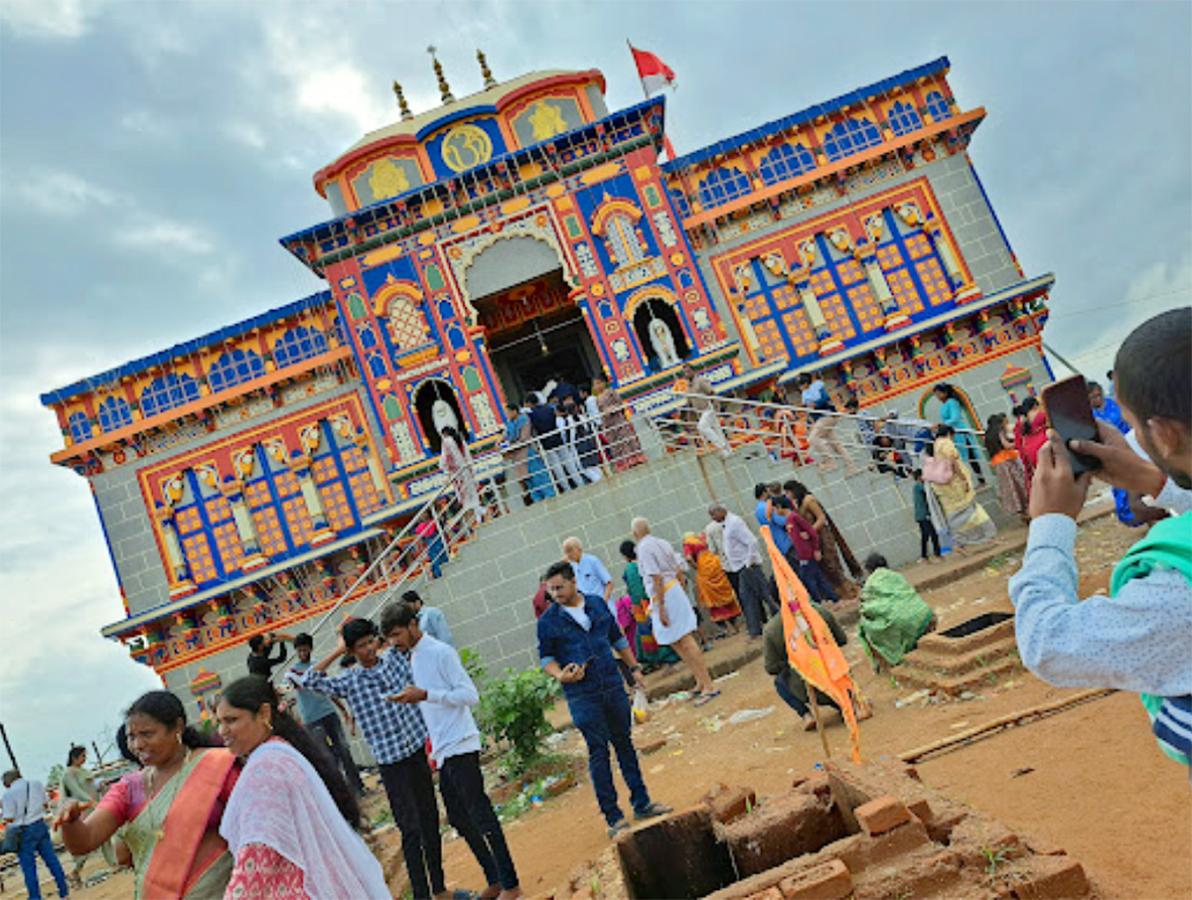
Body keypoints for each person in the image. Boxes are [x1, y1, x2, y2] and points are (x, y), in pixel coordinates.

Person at [1009, 308, 1192, 767]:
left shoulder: (1177, 593)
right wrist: (1155, 478)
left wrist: (1050, 524)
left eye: (1135, 428)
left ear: (1165, 434)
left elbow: (1047, 643)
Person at [300, 618, 448, 900]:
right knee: (410, 828)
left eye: (371, 642)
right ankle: (421, 894)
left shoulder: (394, 658)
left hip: (416, 750)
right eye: (361, 646)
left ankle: (439, 888)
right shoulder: (350, 680)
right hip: (391, 762)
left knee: (429, 818)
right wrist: (337, 651)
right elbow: (308, 680)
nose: (369, 649)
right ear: (352, 651)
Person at [383, 605, 523, 900]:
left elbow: (469, 695)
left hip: (460, 744)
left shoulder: (440, 652)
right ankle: (496, 879)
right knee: (459, 817)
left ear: (411, 625)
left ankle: (511, 884)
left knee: (481, 814)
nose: (394, 641)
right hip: (445, 749)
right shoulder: (415, 656)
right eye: (390, 637)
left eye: (397, 634)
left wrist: (425, 695)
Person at [215, 677, 389, 898]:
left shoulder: (266, 769)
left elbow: (257, 856)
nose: (222, 730)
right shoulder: (281, 752)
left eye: (231, 720)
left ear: (264, 714)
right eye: (219, 721)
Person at [56, 691, 238, 898]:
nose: (137, 745)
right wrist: (70, 822)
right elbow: (85, 841)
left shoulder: (218, 766)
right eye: (131, 737)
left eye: (147, 734)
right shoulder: (128, 788)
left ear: (177, 727)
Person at [537, 561, 672, 837]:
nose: (555, 594)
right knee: (598, 751)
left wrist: (634, 669)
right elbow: (546, 658)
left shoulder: (597, 604)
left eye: (559, 587)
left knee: (624, 744)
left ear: (573, 581)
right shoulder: (548, 621)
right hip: (582, 695)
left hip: (611, 684)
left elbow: (617, 638)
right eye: (550, 590)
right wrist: (561, 675)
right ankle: (613, 817)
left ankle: (642, 802)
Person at [631, 517, 719, 703]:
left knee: (685, 639)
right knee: (675, 641)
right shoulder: (661, 543)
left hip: (665, 595)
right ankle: (699, 682)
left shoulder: (645, 548)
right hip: (670, 592)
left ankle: (708, 685)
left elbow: (656, 578)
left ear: (635, 534)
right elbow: (678, 569)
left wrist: (661, 607)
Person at [285, 633, 364, 797]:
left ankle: (358, 787)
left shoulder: (318, 666)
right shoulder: (291, 672)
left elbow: (329, 689)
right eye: (299, 651)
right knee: (326, 757)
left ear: (311, 649)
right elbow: (298, 685)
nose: (302, 654)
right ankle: (341, 793)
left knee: (343, 749)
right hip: (310, 719)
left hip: (328, 713)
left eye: (305, 650)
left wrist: (343, 710)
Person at [762, 604, 847, 732]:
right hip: (837, 679)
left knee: (780, 682)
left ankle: (806, 715)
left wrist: (793, 660)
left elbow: (771, 667)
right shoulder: (820, 611)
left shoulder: (771, 629)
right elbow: (842, 640)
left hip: (805, 687)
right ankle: (851, 703)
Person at [857, 553, 937, 671]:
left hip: (901, 624)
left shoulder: (870, 584)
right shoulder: (896, 576)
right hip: (926, 616)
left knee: (863, 627)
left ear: (869, 570)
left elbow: (866, 610)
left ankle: (890, 661)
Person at [785, 481, 862, 599]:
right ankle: (841, 595)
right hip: (813, 539)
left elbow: (821, 518)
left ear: (794, 490)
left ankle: (851, 593)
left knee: (832, 565)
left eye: (788, 492)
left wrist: (810, 531)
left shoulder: (808, 500)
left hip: (823, 535)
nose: (787, 495)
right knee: (824, 567)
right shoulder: (798, 504)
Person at [928, 425, 997, 549]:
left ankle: (960, 543)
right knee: (973, 510)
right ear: (950, 434)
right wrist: (963, 479)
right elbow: (952, 460)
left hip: (948, 488)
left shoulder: (936, 444)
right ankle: (988, 536)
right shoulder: (946, 443)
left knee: (958, 515)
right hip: (956, 485)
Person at [4, 769, 70, 899]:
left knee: (29, 868)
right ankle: (64, 891)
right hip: (40, 825)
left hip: (23, 832)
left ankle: (35, 897)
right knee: (52, 860)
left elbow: (9, 818)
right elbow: (45, 804)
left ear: (8, 783)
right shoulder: (36, 784)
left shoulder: (8, 795)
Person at [709, 504, 773, 638]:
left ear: (720, 511)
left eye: (713, 514)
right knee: (747, 598)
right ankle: (755, 631)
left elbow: (752, 542)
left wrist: (749, 562)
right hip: (740, 568)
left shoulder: (735, 523)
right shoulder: (726, 524)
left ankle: (782, 616)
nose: (712, 518)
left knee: (765, 594)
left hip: (747, 566)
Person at [60, 746, 116, 887]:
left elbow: (91, 786)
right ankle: (75, 870)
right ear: (74, 757)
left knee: (104, 834)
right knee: (86, 841)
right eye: (82, 756)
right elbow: (76, 791)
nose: (84, 759)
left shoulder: (83, 771)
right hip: (83, 809)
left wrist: (100, 787)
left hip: (94, 806)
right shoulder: (68, 774)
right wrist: (90, 802)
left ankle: (113, 863)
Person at [619, 541, 679, 669]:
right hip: (651, 601)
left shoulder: (630, 568)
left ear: (625, 556)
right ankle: (664, 659)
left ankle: (665, 660)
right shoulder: (642, 564)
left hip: (642, 606)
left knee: (650, 633)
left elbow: (634, 590)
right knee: (656, 630)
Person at [682, 533, 742, 633]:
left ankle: (726, 629)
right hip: (717, 566)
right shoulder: (703, 537)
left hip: (705, 570)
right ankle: (735, 625)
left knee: (712, 599)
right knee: (725, 594)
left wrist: (696, 567)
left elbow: (688, 558)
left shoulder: (687, 543)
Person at [783, 505, 839, 603]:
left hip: (807, 554)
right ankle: (832, 597)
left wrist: (816, 549)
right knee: (817, 576)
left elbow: (811, 531)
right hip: (802, 555)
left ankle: (819, 600)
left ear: (779, 507)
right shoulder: (788, 520)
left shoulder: (795, 518)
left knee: (808, 579)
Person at [932, 383, 984, 481]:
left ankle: (981, 479)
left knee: (970, 455)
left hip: (960, 431)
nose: (937, 397)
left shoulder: (952, 402)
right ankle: (967, 480)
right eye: (936, 395)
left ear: (945, 392)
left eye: (939, 393)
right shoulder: (944, 405)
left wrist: (941, 424)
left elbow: (955, 418)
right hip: (953, 433)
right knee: (958, 456)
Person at [594, 378, 646, 471]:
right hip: (608, 423)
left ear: (603, 383)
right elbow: (600, 411)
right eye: (595, 385)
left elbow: (619, 403)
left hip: (617, 418)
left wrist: (612, 408)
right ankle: (623, 463)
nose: (597, 386)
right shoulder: (597, 398)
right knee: (615, 442)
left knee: (625, 437)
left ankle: (634, 458)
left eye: (598, 383)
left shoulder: (611, 392)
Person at [984, 413, 1029, 519]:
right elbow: (1006, 445)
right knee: (1020, 485)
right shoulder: (1000, 431)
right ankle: (1027, 511)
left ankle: (1022, 513)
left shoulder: (988, 435)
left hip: (998, 464)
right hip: (1008, 461)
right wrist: (1019, 443)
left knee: (1011, 489)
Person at [529, 393, 576, 493]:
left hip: (546, 443)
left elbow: (533, 431)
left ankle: (567, 488)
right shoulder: (549, 409)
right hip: (557, 438)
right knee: (569, 462)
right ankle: (579, 481)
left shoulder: (531, 415)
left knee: (556, 467)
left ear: (529, 403)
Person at [681, 364, 731, 457]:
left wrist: (715, 407)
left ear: (693, 371)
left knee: (702, 426)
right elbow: (689, 404)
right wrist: (688, 418)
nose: (686, 374)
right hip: (700, 412)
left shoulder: (700, 381)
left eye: (688, 371)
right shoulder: (688, 388)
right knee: (717, 431)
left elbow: (711, 392)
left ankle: (721, 446)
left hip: (708, 409)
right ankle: (728, 452)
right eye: (685, 373)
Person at [440, 425, 485, 523]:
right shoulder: (461, 441)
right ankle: (478, 516)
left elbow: (446, 459)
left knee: (465, 497)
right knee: (472, 494)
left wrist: (446, 472)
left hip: (458, 473)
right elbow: (468, 457)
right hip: (467, 471)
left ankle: (476, 519)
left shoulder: (447, 441)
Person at [563, 537, 614, 614]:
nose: (568, 555)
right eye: (566, 552)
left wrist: (603, 603)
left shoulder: (592, 561)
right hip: (588, 611)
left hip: (604, 607)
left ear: (578, 549)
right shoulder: (571, 567)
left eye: (570, 550)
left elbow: (609, 583)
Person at [559, 398, 602, 484]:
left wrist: (570, 448)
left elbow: (569, 437)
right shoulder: (583, 417)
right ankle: (600, 479)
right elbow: (589, 429)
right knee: (594, 465)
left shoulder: (568, 421)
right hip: (588, 442)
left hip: (578, 446)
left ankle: (598, 480)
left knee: (583, 468)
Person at [503, 401, 535, 507]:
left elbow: (524, 438)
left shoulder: (524, 419)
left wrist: (511, 446)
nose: (507, 415)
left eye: (508, 412)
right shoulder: (509, 423)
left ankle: (536, 495)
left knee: (532, 474)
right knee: (521, 478)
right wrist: (500, 442)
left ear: (514, 411)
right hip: (516, 454)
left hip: (526, 450)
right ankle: (529, 496)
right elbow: (506, 435)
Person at [1014, 396, 1049, 492]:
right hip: (1043, 445)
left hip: (1029, 449)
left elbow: (1018, 442)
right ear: (1035, 405)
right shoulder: (1040, 414)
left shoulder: (1020, 421)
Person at [912, 469, 942, 562]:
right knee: (933, 534)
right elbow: (928, 491)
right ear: (919, 477)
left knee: (925, 536)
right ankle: (937, 554)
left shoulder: (917, 487)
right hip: (924, 515)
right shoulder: (918, 486)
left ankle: (924, 556)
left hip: (920, 515)